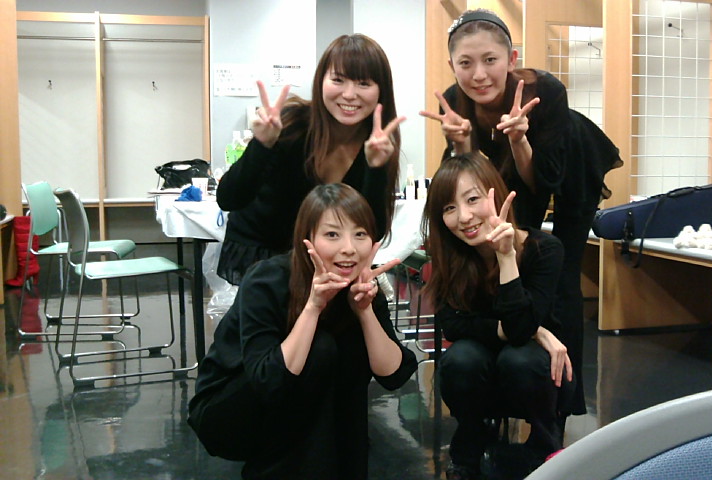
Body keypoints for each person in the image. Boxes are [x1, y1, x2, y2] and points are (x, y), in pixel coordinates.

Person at [421, 9, 621, 417]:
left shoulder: (545, 91)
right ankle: (507, 358)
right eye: (466, 63)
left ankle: (560, 405)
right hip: (503, 168)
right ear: (452, 65)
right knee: (503, 250)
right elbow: (471, 176)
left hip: (568, 164)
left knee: (560, 270)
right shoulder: (455, 99)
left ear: (511, 59)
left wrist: (518, 140)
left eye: (490, 60)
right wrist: (460, 145)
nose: (479, 74)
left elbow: (542, 182)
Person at [188, 183, 418, 479]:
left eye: (360, 234)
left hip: (296, 410)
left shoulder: (361, 286)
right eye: (332, 234)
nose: (349, 248)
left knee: (349, 347)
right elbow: (268, 379)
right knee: (319, 348)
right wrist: (313, 307)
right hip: (232, 409)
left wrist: (365, 312)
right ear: (306, 239)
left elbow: (394, 375)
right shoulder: (268, 280)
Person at [421, 153, 572, 480]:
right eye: (449, 208)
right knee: (461, 359)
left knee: (520, 359)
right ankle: (471, 439)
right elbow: (453, 325)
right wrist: (535, 331)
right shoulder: (450, 255)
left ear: (497, 194)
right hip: (481, 360)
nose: (464, 217)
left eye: (472, 199)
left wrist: (506, 258)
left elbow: (519, 331)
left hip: (533, 367)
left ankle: (544, 444)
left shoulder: (544, 249)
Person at [217, 34, 406, 285]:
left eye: (363, 83)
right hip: (262, 254)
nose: (349, 94)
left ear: (381, 90)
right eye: (338, 80)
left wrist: (376, 169)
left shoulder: (378, 143)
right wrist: (262, 145)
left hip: (324, 260)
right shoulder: (293, 124)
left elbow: (372, 231)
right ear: (321, 81)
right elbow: (228, 198)